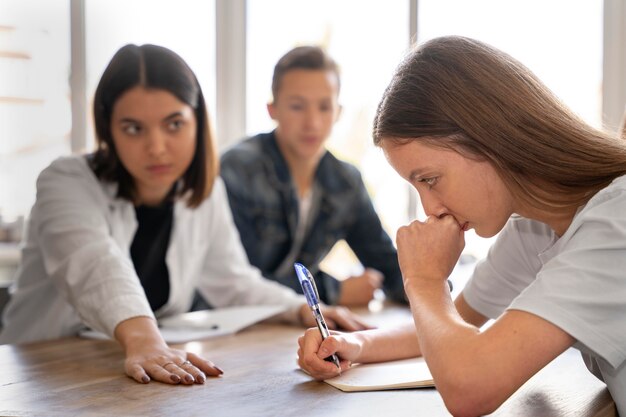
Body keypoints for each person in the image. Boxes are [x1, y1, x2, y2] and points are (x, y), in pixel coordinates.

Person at [0, 44, 367, 386]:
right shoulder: (65, 180)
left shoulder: (204, 193)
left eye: (174, 124)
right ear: (108, 130)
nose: (156, 147)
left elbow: (233, 281)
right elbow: (94, 264)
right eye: (133, 128)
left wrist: (300, 309)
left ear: (197, 122)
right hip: (38, 373)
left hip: (130, 373)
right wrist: (145, 340)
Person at [297, 36, 626, 416]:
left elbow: (471, 388)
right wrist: (355, 345)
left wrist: (423, 281)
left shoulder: (615, 221)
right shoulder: (534, 226)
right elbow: (457, 317)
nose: (430, 209)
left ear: (490, 140)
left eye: (430, 179)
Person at [220, 46, 406, 306]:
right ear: (272, 109)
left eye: (324, 107)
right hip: (226, 326)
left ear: (338, 112)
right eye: (297, 106)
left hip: (294, 327)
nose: (312, 122)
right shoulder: (236, 169)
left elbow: (387, 264)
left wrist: (433, 292)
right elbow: (235, 281)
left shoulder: (345, 181)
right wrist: (333, 291)